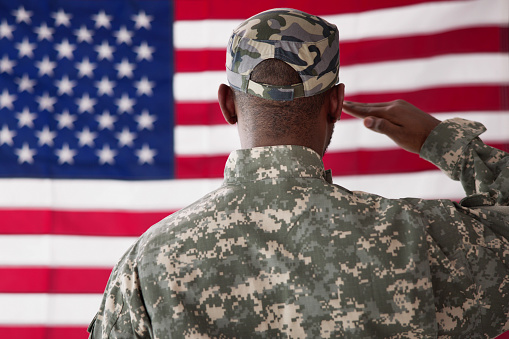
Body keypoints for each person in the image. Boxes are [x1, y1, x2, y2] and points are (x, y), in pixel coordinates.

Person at [88, 8, 509, 338]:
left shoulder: (150, 260)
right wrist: (447, 143)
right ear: (335, 103)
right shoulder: (413, 237)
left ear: (227, 104)